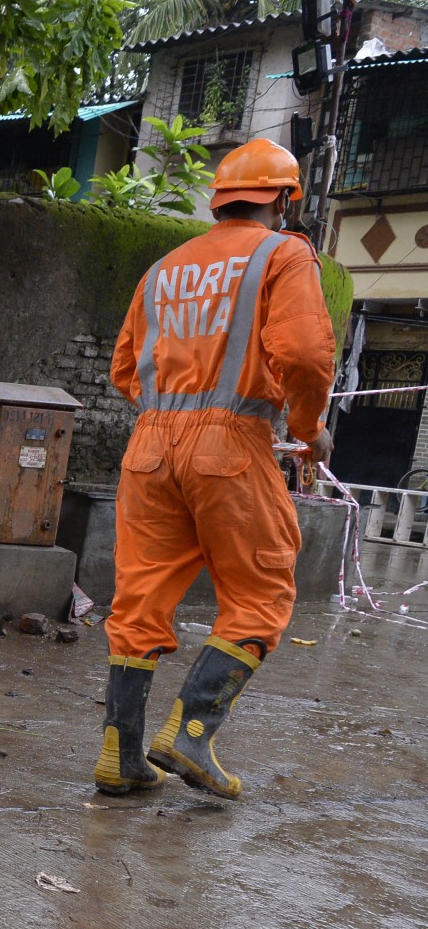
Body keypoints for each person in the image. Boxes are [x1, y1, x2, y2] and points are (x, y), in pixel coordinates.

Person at [95, 138, 336, 800]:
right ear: (284, 198)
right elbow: (308, 358)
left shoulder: (164, 268)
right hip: (230, 444)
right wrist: (310, 431)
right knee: (261, 594)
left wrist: (170, 416)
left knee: (138, 603)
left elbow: (123, 370)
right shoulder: (284, 253)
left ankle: (121, 755)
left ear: (221, 198)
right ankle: (191, 733)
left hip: (149, 447)